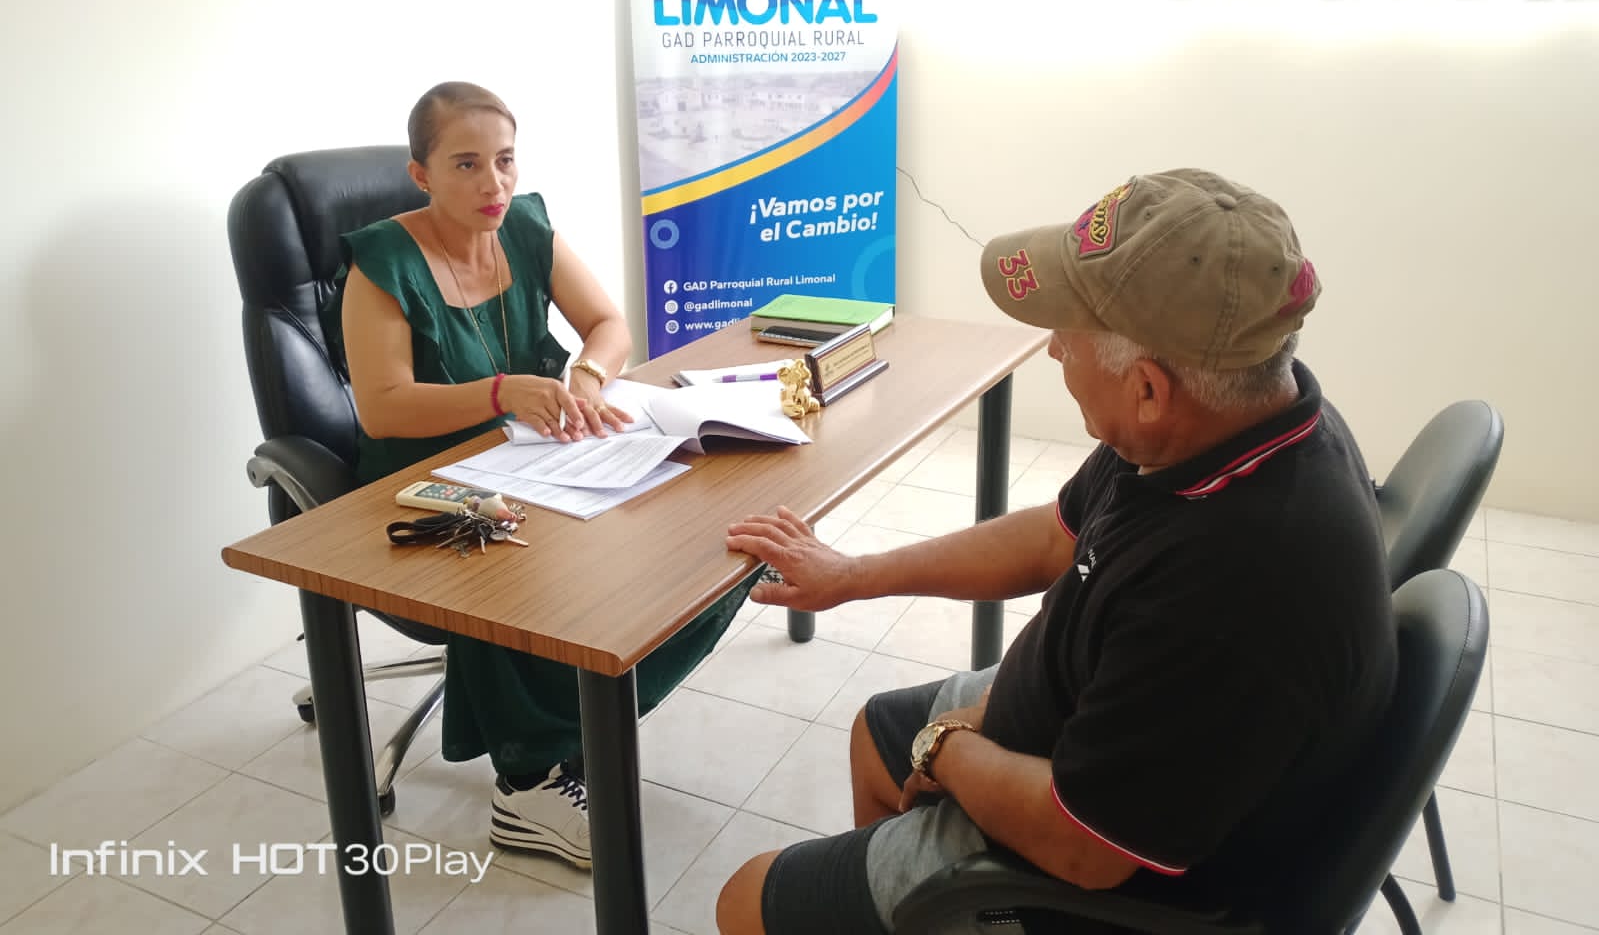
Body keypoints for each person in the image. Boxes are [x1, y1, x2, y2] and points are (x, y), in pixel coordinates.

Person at [715, 169, 1398, 935]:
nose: (1051, 348)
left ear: (1147, 389)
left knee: (747, 900)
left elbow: (1086, 851)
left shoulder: (1232, 583)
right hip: (1091, 724)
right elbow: (1054, 534)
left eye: (1068, 332)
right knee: (875, 736)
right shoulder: (1227, 420)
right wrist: (853, 575)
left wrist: (946, 749)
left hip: (1115, 884)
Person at [339, 81, 749, 869]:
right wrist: (502, 392)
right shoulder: (383, 263)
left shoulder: (525, 227)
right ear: (421, 175)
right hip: (423, 481)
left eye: (504, 160)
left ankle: (574, 725)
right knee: (511, 564)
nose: (492, 183)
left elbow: (607, 324)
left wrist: (587, 377)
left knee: (714, 544)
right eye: (466, 164)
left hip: (530, 452)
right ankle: (527, 783)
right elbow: (382, 409)